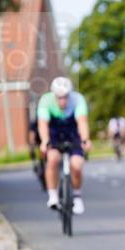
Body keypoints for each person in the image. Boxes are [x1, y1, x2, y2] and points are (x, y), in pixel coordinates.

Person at [37, 77, 92, 214]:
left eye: (66, 97)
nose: (63, 101)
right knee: (52, 159)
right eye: (59, 98)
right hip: (54, 133)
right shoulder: (45, 100)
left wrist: (85, 139)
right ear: (54, 95)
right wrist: (44, 141)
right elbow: (43, 124)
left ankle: (77, 197)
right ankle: (53, 195)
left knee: (77, 166)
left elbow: (82, 122)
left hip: (72, 132)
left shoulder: (78, 99)